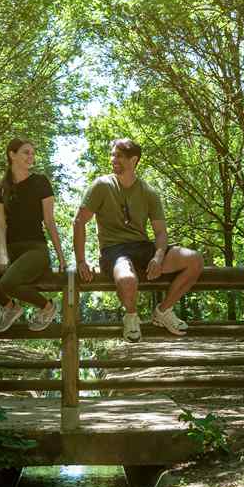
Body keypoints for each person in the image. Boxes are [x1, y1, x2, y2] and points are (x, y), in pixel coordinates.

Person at [73, 138, 203, 341]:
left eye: (119, 156)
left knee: (194, 259)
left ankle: (163, 311)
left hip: (143, 248)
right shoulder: (101, 186)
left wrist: (158, 257)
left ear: (134, 160)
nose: (113, 159)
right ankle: (132, 316)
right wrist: (81, 260)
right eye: (113, 155)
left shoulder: (149, 192)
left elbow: (160, 232)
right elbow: (79, 222)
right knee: (126, 278)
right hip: (114, 251)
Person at [0, 138, 66, 332]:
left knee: (8, 282)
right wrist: (3, 253)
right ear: (12, 154)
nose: (31, 157)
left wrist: (60, 255)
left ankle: (47, 306)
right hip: (12, 249)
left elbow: (49, 220)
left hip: (35, 249)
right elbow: (0, 225)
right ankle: (10, 307)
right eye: (26, 152)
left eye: (32, 153)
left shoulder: (40, 182)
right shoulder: (1, 188)